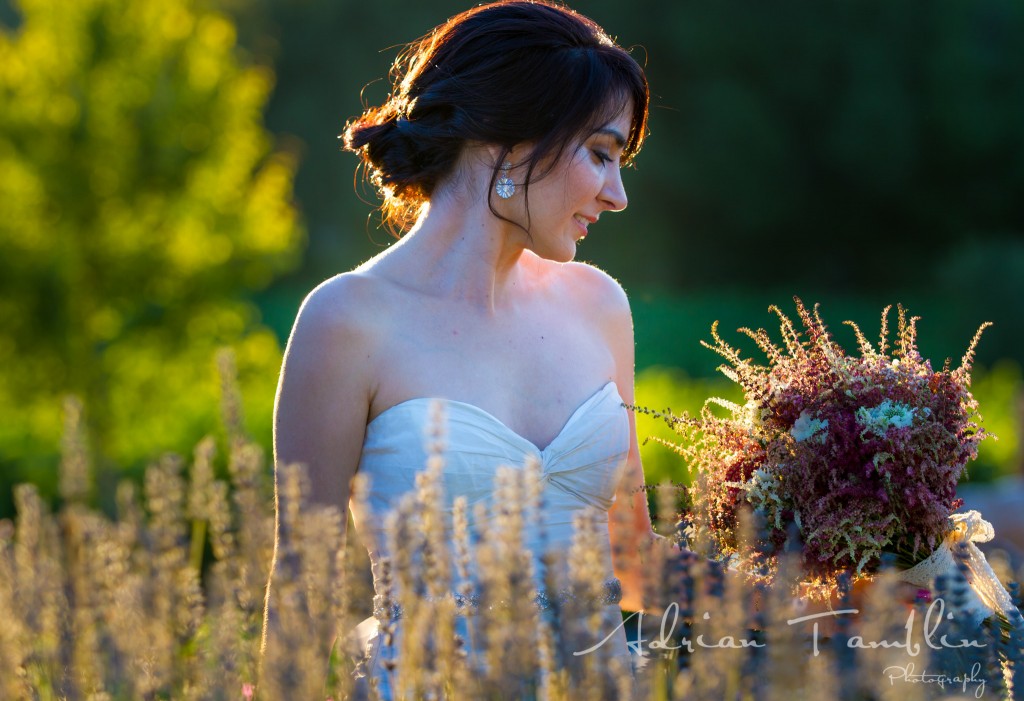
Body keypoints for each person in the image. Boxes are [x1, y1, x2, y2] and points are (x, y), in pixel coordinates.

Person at [262, 1, 657, 697]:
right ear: (508, 139)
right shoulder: (345, 321)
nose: (617, 194)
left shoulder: (601, 307)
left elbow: (633, 560)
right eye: (599, 154)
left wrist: (824, 590)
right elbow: (302, 589)